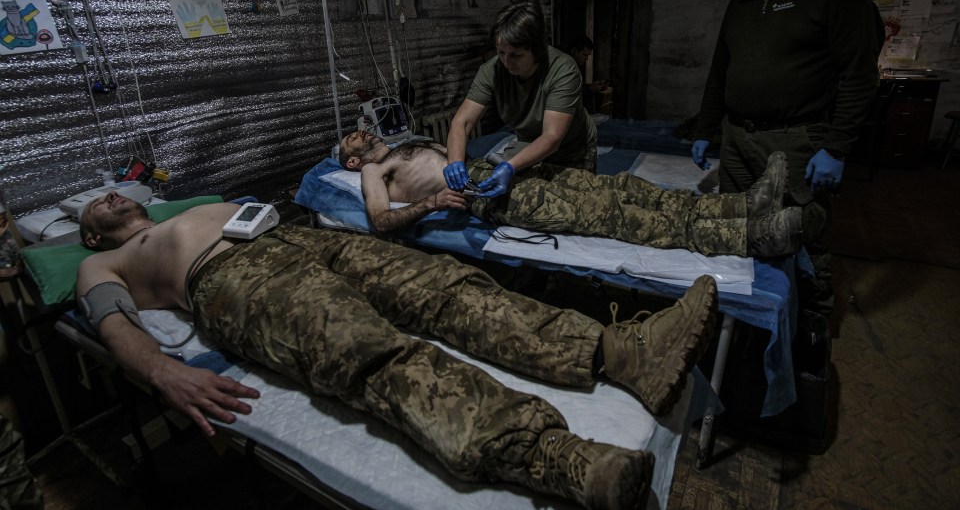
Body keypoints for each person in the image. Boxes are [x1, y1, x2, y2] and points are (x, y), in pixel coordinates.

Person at [77, 192, 720, 510]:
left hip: (294, 239)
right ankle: (562, 459)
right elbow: (115, 328)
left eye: (115, 193)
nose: (112, 199)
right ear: (89, 231)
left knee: (447, 288)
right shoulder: (104, 261)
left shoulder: (189, 203)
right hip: (230, 282)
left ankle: (620, 352)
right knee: (371, 353)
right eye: (99, 203)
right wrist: (165, 371)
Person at [691, 0, 880, 312]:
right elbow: (721, 71)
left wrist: (836, 147)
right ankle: (743, 316)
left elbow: (860, 74)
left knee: (800, 233)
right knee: (739, 227)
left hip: (795, 140)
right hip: (738, 138)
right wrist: (707, 128)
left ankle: (811, 323)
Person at [339, 130, 802, 259]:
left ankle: (741, 204)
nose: (356, 134)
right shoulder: (375, 172)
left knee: (621, 186)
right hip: (488, 195)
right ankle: (749, 238)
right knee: (614, 213)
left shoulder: (402, 143)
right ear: (353, 163)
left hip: (501, 171)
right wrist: (431, 204)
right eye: (349, 143)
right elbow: (381, 222)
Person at [444, 2, 598, 201]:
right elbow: (462, 122)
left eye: (516, 55)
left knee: (577, 204)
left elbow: (552, 137)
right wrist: (455, 161)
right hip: (530, 145)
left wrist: (510, 166)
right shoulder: (492, 71)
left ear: (538, 51)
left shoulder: (563, 70)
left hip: (571, 150)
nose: (506, 62)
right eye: (501, 52)